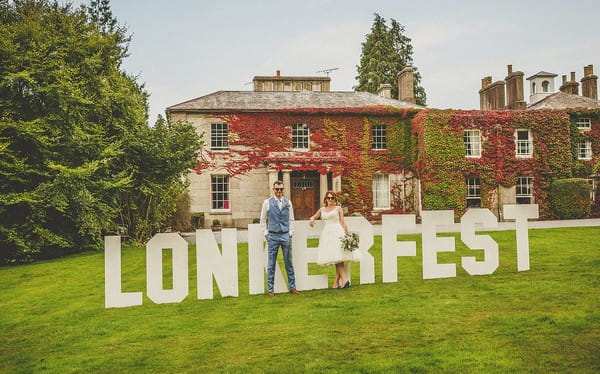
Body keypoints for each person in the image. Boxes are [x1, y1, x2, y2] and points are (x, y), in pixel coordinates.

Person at [309, 191, 359, 289]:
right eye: (328, 198)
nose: (330, 200)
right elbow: (314, 216)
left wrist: (347, 235)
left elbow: (342, 222)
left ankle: (343, 281)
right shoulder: (322, 209)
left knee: (338, 257)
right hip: (327, 234)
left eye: (332, 198)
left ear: (335, 199)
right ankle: (337, 283)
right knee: (336, 257)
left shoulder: (338, 208)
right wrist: (312, 219)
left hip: (338, 232)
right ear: (325, 199)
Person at [260, 180, 299, 297]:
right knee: (271, 263)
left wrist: (290, 233)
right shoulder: (267, 202)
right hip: (273, 235)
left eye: (281, 189)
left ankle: (293, 287)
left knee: (289, 262)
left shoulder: (288, 202)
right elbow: (262, 220)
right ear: (273, 190)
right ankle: (271, 289)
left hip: (285, 235)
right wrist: (266, 233)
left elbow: (291, 219)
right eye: (277, 189)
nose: (279, 191)